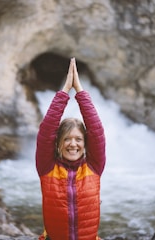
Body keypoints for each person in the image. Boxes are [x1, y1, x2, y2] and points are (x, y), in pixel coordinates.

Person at [36, 58, 106, 240]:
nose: (73, 144)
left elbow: (96, 130)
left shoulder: (94, 166)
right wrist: (65, 91)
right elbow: (46, 131)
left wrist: (80, 91)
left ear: (85, 143)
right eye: (66, 139)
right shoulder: (47, 167)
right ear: (58, 143)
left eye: (78, 139)